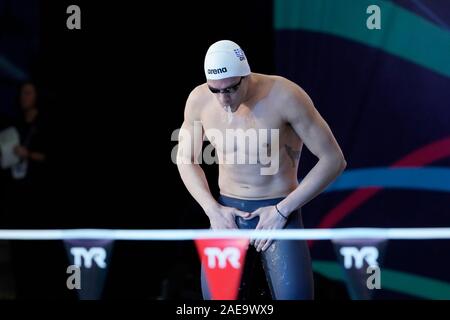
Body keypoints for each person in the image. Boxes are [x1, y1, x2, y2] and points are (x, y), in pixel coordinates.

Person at [176, 40, 347, 300]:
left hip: (278, 212)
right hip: (227, 214)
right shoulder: (199, 100)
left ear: (246, 75)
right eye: (216, 90)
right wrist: (212, 210)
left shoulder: (285, 96)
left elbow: (333, 160)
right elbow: (185, 159)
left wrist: (282, 210)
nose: (224, 99)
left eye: (232, 88)